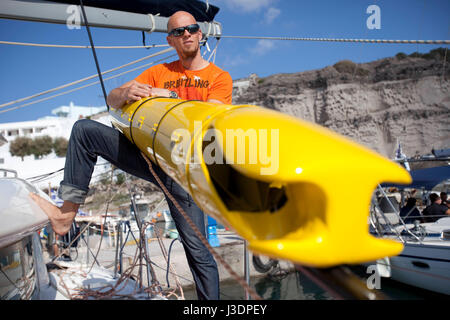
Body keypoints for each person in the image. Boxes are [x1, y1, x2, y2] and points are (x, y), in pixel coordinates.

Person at [29, 11, 232, 300]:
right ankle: (64, 216)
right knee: (85, 130)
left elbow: (209, 115)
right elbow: (112, 100)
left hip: (185, 168)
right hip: (148, 156)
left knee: (198, 251)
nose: (186, 34)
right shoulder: (158, 72)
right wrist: (125, 90)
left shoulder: (219, 77)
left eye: (191, 28)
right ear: (170, 40)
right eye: (178, 31)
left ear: (200, 34)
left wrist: (168, 96)